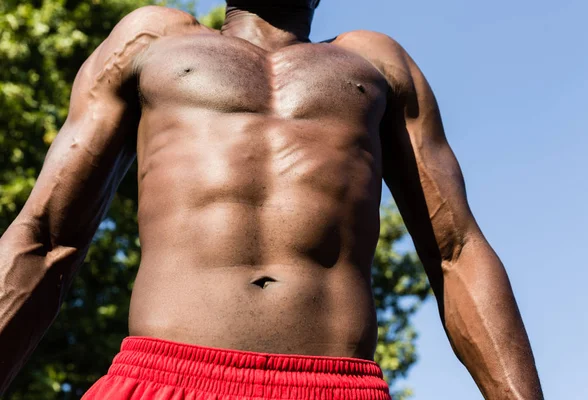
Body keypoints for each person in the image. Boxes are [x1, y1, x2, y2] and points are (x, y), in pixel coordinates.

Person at [0, 1, 544, 399]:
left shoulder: (378, 64)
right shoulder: (151, 40)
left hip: (336, 387)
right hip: (163, 377)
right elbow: (46, 239)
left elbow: (456, 253)